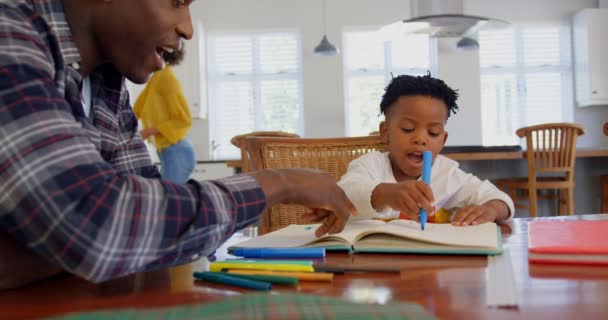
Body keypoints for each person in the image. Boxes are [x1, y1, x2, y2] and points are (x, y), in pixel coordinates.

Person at [0, 0, 355, 290]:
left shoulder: (106, 82)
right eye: (176, 3)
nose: (188, 28)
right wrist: (279, 182)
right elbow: (100, 228)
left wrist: (49, 244)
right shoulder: (9, 34)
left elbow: (148, 227)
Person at [338, 74, 514, 226]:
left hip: (428, 262)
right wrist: (386, 193)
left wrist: (491, 209)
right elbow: (343, 192)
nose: (421, 139)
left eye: (433, 132)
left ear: (443, 140)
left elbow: (498, 198)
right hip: (370, 260)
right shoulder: (370, 165)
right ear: (386, 132)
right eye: (407, 128)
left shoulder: (446, 174)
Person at [133, 48, 195, 183]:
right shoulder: (157, 77)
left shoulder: (166, 78)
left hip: (177, 151)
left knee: (171, 200)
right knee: (169, 198)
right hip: (168, 151)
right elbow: (138, 107)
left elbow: (183, 119)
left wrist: (148, 131)